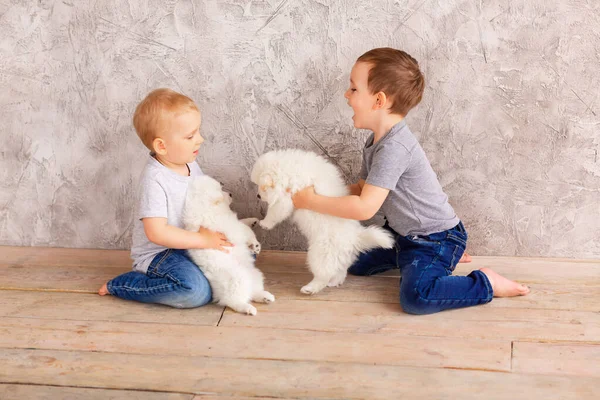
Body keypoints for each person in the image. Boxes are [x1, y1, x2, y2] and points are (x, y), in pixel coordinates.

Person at [292, 48, 529, 314]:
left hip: (434, 237)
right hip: (405, 235)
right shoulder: (376, 142)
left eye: (354, 89)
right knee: (352, 260)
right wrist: (317, 192)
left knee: (417, 297)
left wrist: (312, 202)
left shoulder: (395, 148)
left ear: (379, 100)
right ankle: (434, 258)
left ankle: (484, 282)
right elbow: (360, 189)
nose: (347, 95)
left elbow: (364, 207)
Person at [98, 88, 232, 308]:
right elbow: (157, 233)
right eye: (190, 136)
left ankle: (209, 274)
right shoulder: (155, 179)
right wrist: (204, 241)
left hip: (188, 243)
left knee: (241, 252)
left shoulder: (190, 162)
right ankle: (124, 285)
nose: (200, 139)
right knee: (195, 292)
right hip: (159, 254)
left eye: (198, 132)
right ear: (161, 146)